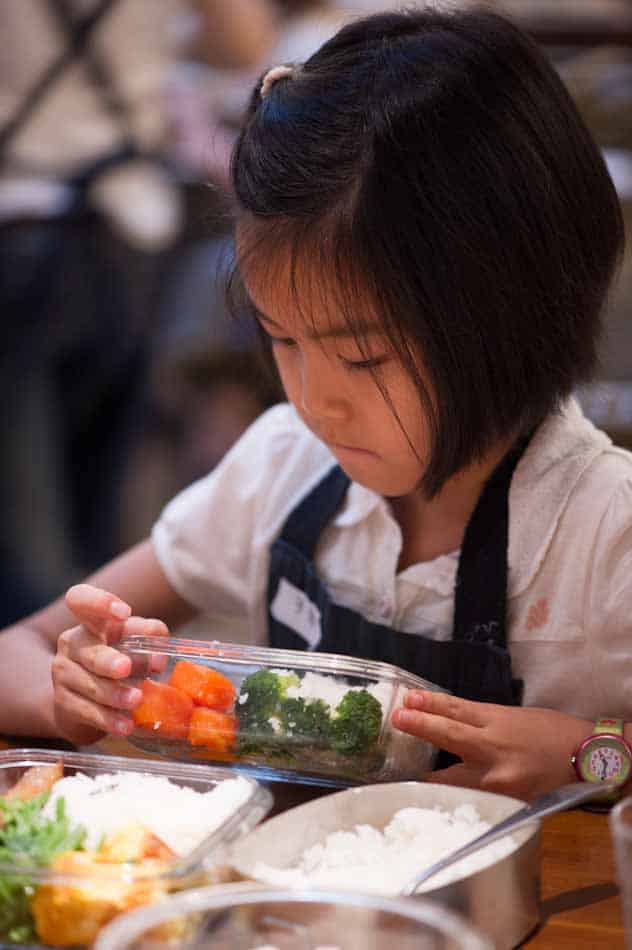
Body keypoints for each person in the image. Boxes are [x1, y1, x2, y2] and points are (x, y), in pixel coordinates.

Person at [1, 6, 630, 802]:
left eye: (364, 358)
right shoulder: (283, 470)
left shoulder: (603, 531)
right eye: (281, 339)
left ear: (514, 315)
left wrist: (590, 754)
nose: (315, 401)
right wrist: (74, 692)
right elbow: (16, 648)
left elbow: (603, 758)